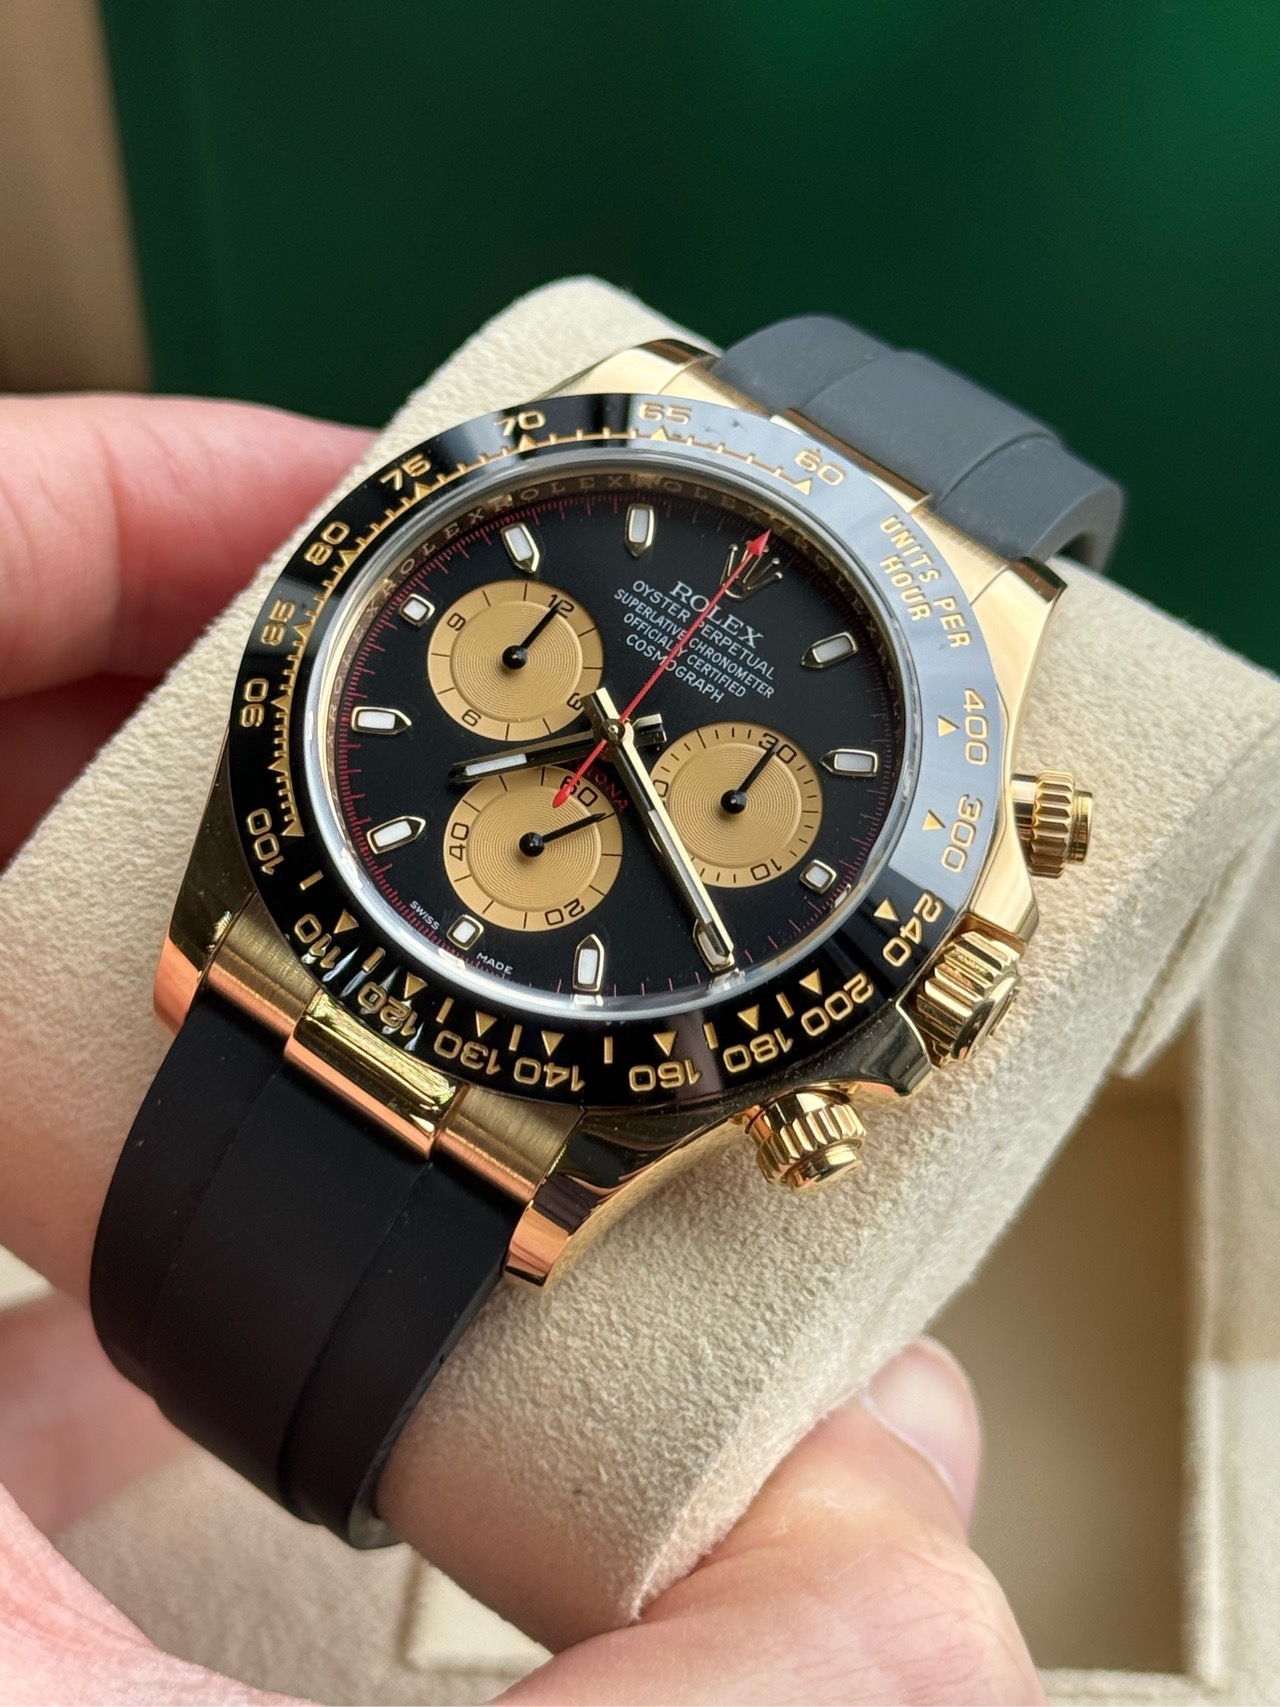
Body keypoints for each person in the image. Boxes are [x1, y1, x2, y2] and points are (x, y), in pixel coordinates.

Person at [0, 394, 1042, 1704]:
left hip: (512, 1136)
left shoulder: (973, 651)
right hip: (291, 944)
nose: (619, 740)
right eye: (614, 731)